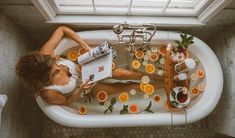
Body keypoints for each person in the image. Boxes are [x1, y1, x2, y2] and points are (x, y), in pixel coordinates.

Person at [16, 26, 163, 105]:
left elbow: (62, 29)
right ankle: (163, 86)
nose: (60, 68)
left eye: (56, 63)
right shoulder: (48, 93)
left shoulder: (46, 55)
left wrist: (84, 45)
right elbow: (66, 101)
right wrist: (81, 89)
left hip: (86, 68)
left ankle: (158, 77)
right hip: (85, 87)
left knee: (125, 74)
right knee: (127, 86)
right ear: (44, 82)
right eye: (55, 73)